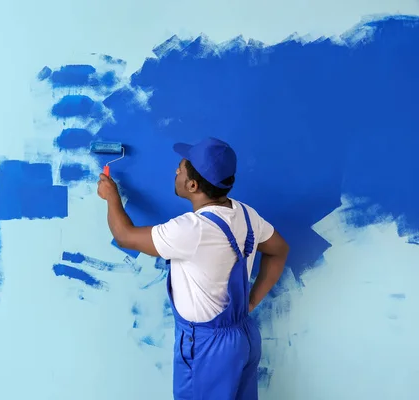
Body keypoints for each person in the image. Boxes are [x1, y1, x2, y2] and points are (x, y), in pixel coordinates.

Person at [96, 137, 289, 400]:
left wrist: (111, 197)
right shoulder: (246, 214)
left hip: (208, 348)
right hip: (244, 336)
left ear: (192, 185)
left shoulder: (191, 229)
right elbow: (279, 249)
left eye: (180, 168)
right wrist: (251, 301)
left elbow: (124, 236)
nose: (175, 171)